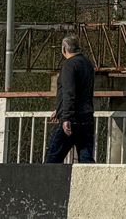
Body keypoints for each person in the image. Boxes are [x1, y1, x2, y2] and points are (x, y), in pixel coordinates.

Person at [45, 34, 96, 163]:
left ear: (64, 49)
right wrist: (59, 109)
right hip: (87, 117)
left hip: (72, 119)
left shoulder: (69, 65)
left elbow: (69, 92)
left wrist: (66, 116)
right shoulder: (87, 63)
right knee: (86, 159)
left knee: (53, 157)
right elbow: (82, 91)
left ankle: (50, 183)